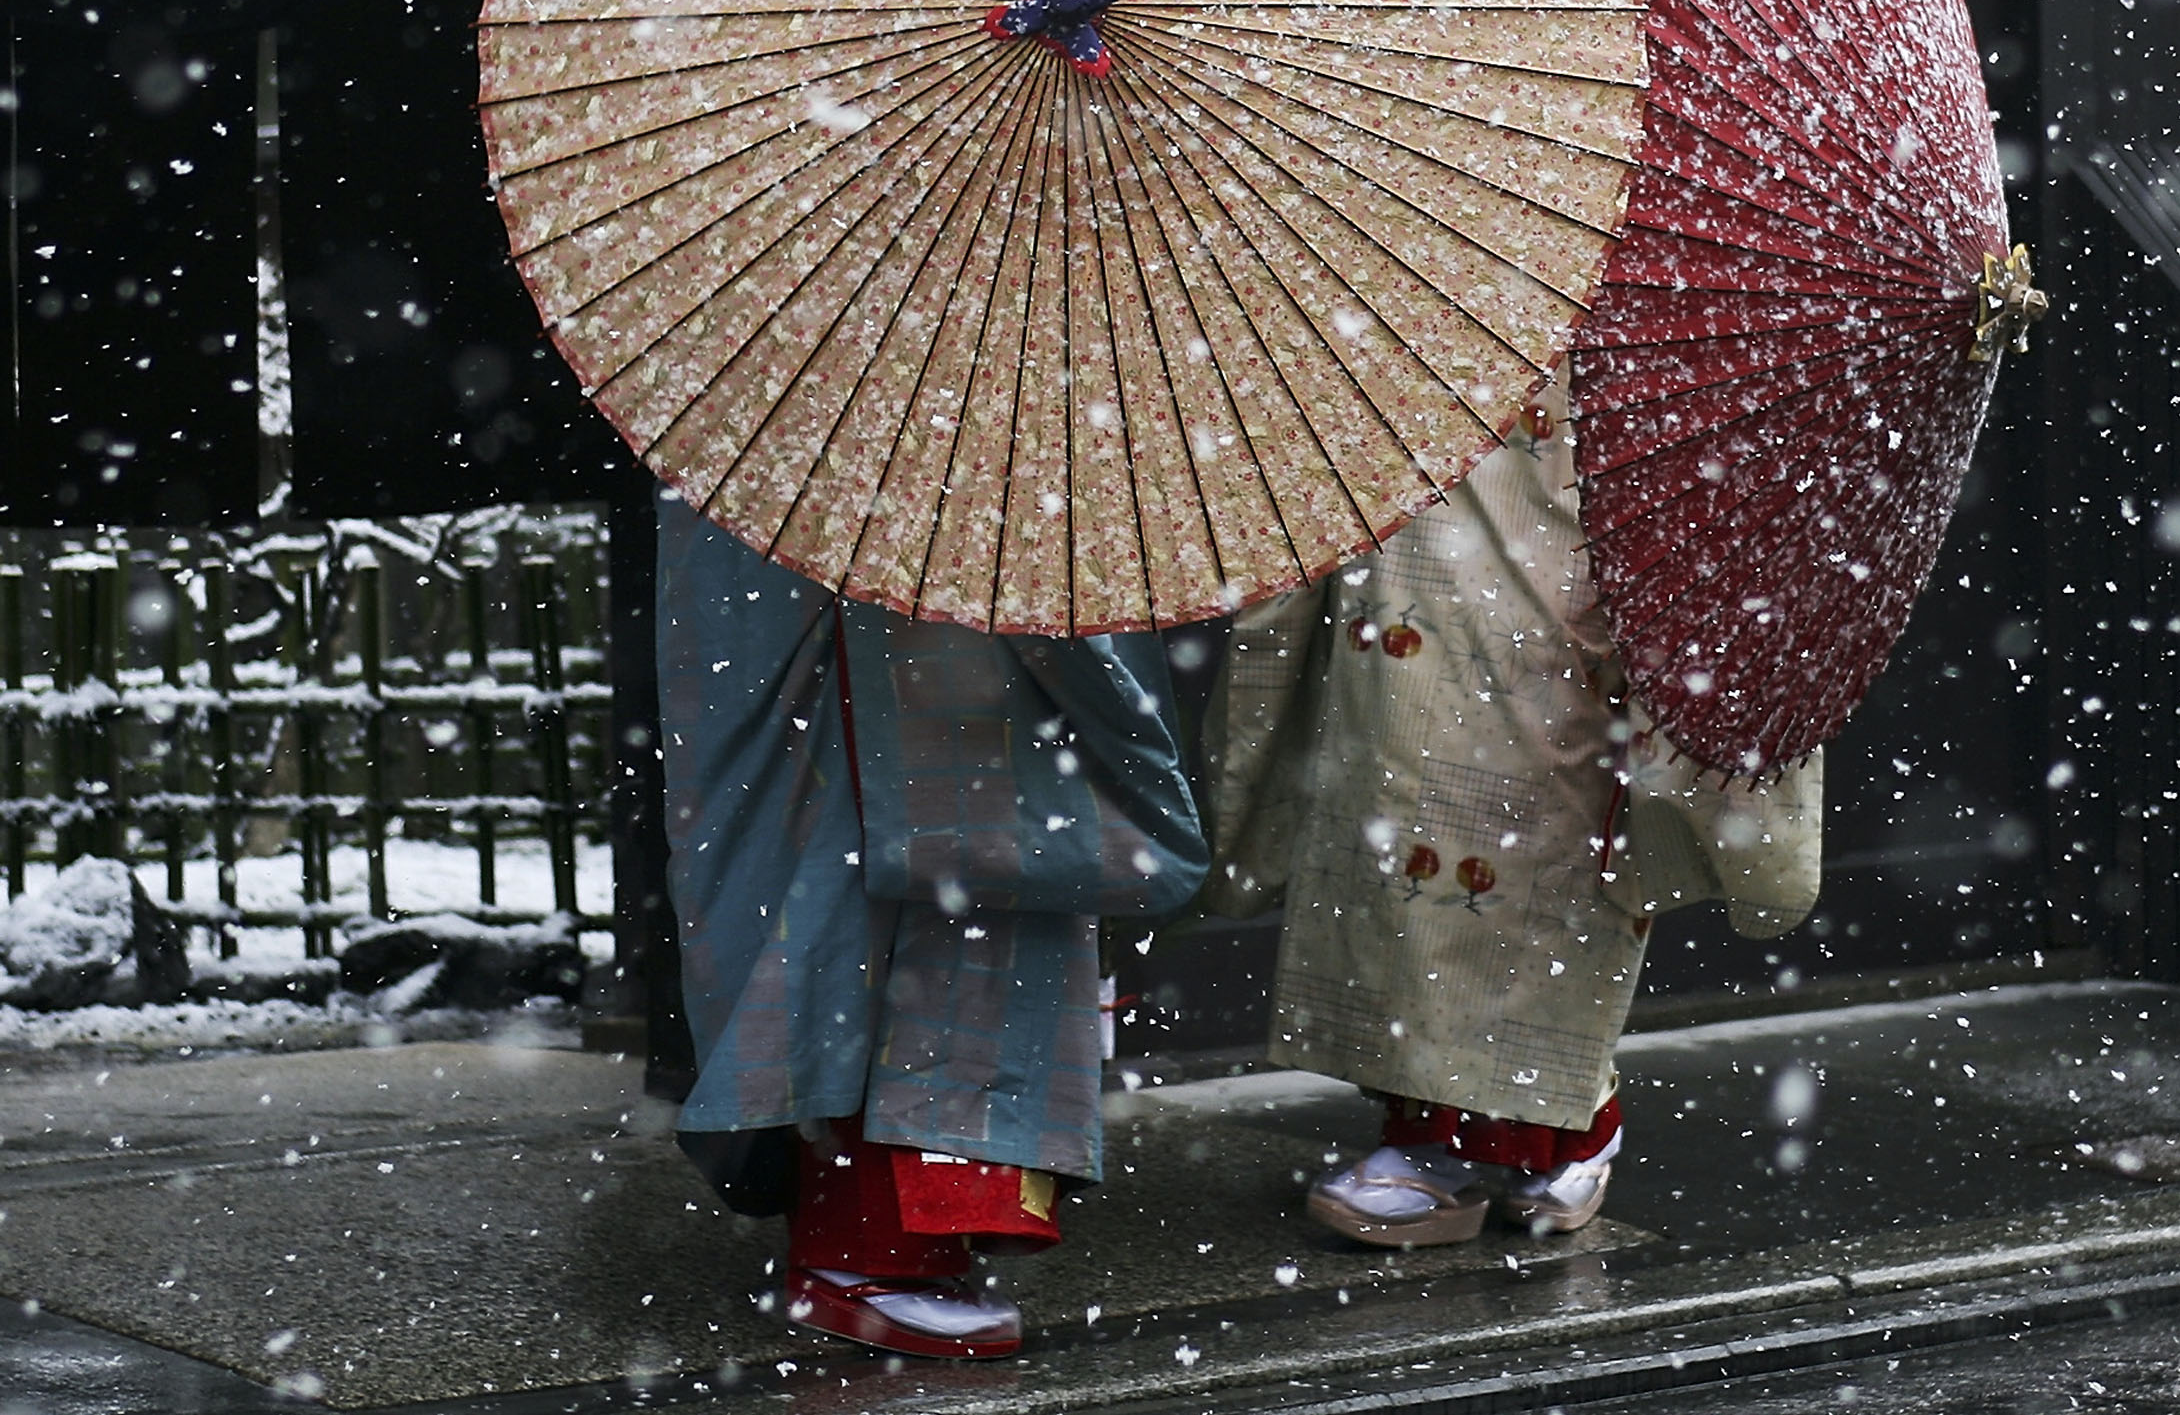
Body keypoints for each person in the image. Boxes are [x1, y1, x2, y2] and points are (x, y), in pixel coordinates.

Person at [1201, 373, 1823, 1245]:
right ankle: (1439, 1135)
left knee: (1546, 850)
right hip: (1424, 543)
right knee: (1410, 824)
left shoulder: (1669, 297)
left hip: (1569, 574)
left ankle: (1555, 1132)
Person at [656, 495, 1207, 1356]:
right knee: (851, 894)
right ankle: (863, 1242)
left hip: (979, 519)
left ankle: (927, 1227)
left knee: (994, 866)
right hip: (841, 551)